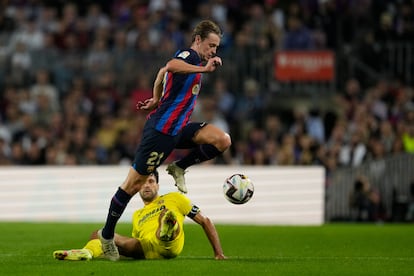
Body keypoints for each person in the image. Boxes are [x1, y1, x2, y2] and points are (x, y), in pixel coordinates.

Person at [98, 20, 231, 261]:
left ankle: (179, 166)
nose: (213, 51)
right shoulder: (190, 56)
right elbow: (171, 65)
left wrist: (156, 98)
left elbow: (162, 72)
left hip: (178, 130)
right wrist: (204, 70)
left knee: (222, 140)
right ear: (198, 40)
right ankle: (107, 236)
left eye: (216, 47)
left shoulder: (195, 62)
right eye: (211, 45)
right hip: (160, 133)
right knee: (132, 186)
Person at [53, 170, 226, 261]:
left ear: (158, 185)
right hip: (145, 249)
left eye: (150, 181)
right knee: (100, 234)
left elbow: (205, 221)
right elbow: (132, 246)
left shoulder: (174, 198)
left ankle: (166, 228)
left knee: (167, 215)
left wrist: (218, 252)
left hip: (170, 245)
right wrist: (107, 251)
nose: (146, 186)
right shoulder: (137, 215)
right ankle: (86, 253)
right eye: (142, 183)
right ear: (137, 188)